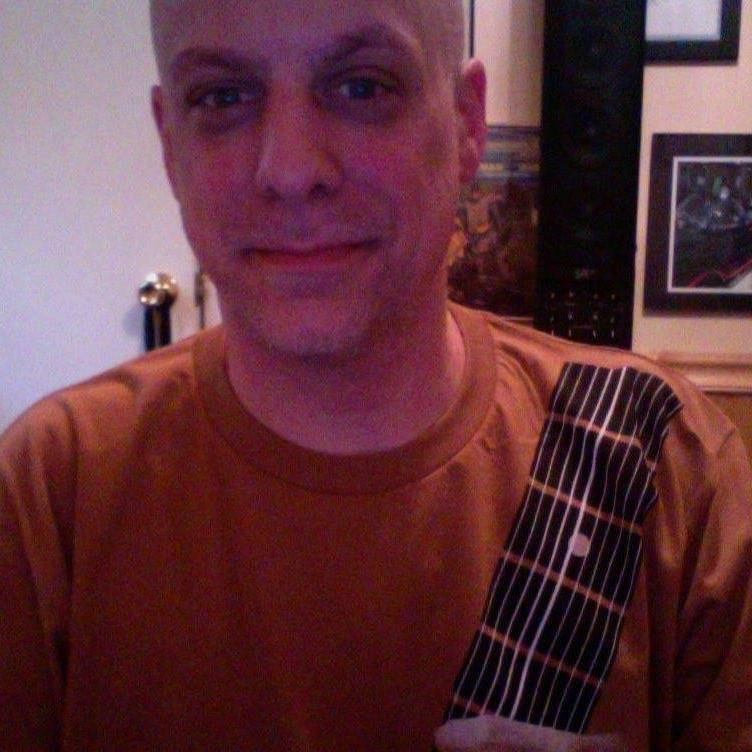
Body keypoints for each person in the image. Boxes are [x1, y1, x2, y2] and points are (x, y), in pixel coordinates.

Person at [1, 1, 750, 750]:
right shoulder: (51, 493)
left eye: (362, 86)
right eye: (222, 97)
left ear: (467, 124)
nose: (291, 171)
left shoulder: (670, 470)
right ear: (171, 146)